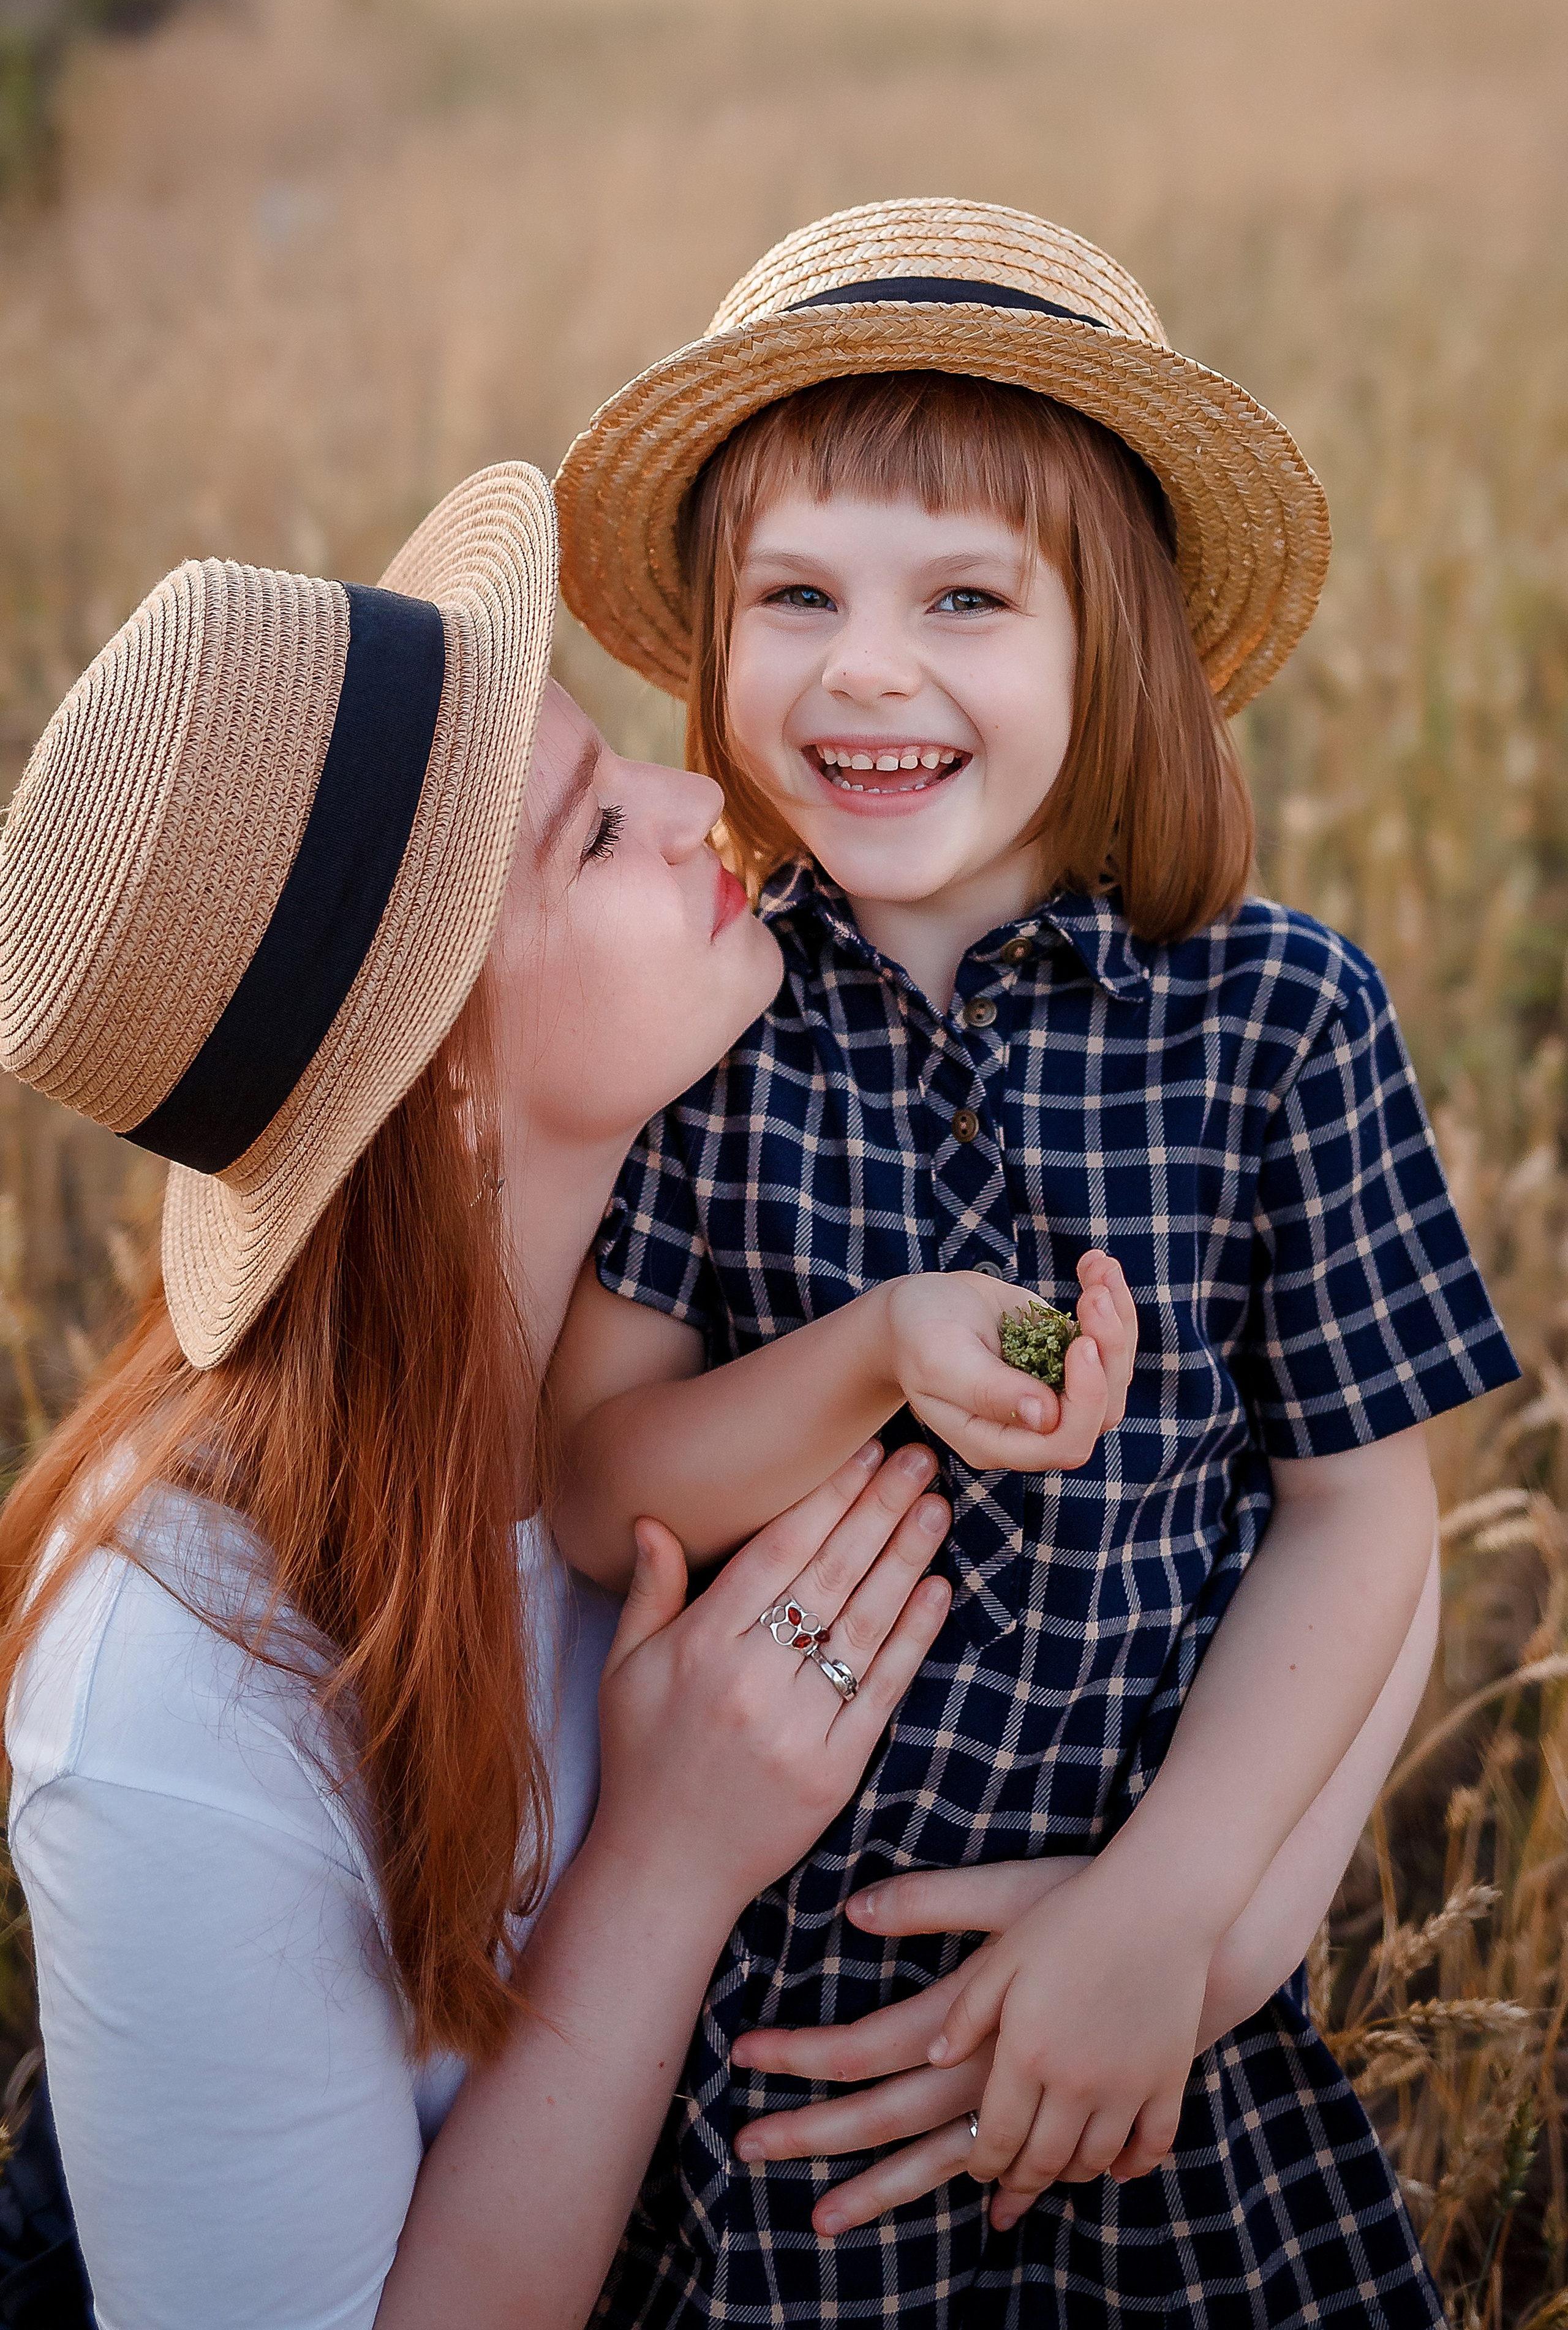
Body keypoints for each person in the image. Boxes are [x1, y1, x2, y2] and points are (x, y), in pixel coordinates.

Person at [547, 200, 1520, 2325]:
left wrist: (1174, 1920)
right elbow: (587, 1476)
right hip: (779, 2045)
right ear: (711, 650)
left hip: (1153, 2001)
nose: (865, 668)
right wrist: (874, 1350)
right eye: (794, 595)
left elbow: (1362, 1520)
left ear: (1118, 647)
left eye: (965, 598)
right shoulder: (713, 1024)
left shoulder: (1280, 1018)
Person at [0, 461, 962, 2330]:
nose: (706, 804)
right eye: (597, 834)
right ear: (441, 1079)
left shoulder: (741, 1239)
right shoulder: (180, 1677)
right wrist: (667, 1865)